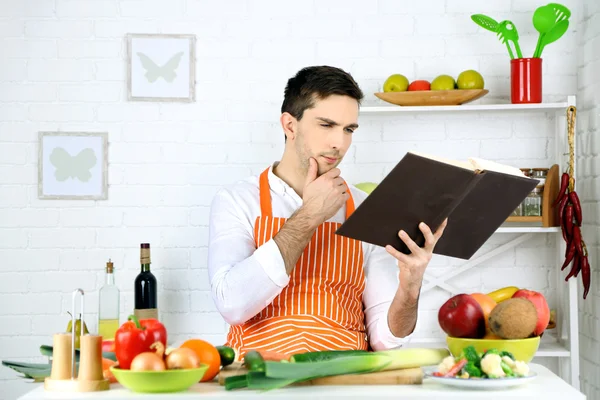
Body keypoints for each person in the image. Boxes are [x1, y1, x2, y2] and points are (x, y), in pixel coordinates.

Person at [207, 65, 447, 358]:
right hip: (260, 376)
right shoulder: (237, 200)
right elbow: (232, 304)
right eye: (326, 125)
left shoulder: (367, 208)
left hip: (345, 377)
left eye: (349, 129)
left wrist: (410, 287)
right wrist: (309, 215)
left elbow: (387, 340)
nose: (340, 143)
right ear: (290, 125)